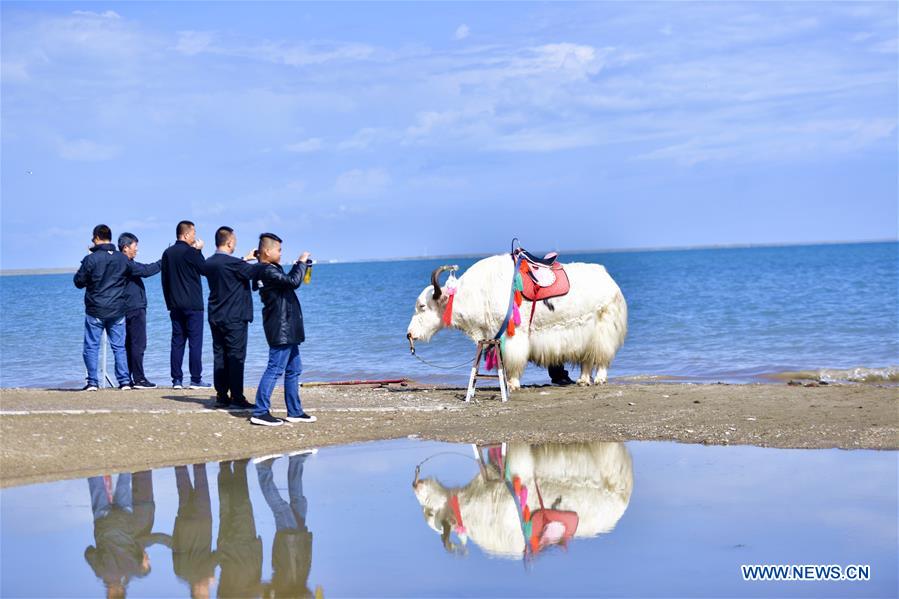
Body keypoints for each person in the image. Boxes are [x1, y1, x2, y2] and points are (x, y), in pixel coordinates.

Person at [74, 224, 152, 391]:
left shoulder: (91, 259)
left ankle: (93, 382)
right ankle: (124, 381)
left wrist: (90, 266)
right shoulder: (121, 258)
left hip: (96, 308)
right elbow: (139, 270)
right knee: (118, 347)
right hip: (117, 309)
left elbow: (78, 282)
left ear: (96, 238)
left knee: (92, 346)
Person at [250, 233, 316, 426]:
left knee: (294, 369)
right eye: (278, 250)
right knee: (275, 368)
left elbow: (287, 281)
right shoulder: (266, 271)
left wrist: (300, 266)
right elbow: (292, 282)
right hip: (281, 328)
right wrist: (301, 262)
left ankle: (294, 411)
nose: (280, 254)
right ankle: (260, 411)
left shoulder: (267, 269)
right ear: (267, 251)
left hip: (288, 326)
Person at [203, 226, 259, 409]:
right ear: (229, 242)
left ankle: (222, 394)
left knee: (220, 355)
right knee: (236, 356)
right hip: (234, 317)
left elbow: (231, 268)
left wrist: (244, 259)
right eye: (234, 241)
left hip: (216, 315)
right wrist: (259, 259)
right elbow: (254, 272)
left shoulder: (210, 262)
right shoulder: (234, 264)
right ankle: (237, 396)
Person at [255, 452, 317, 598]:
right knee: (299, 500)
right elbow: (307, 594)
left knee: (281, 508)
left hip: (287, 554)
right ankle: (297, 459)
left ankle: (262, 468)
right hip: (301, 553)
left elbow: (269, 592)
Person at [161, 221, 210, 390]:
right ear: (186, 234)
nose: (195, 236)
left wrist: (169, 303)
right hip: (193, 304)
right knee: (195, 343)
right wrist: (199, 250)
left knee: (177, 342)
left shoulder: (168, 253)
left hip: (175, 304)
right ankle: (195, 379)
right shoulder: (191, 251)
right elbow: (204, 269)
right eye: (194, 233)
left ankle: (177, 380)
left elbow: (164, 281)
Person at [118, 233, 162, 389]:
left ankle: (129, 378)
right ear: (125, 248)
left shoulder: (124, 262)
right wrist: (163, 262)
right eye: (135, 247)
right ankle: (138, 379)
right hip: (134, 308)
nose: (137, 250)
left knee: (130, 344)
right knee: (138, 344)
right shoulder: (125, 263)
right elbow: (146, 270)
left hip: (128, 307)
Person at [216, 459, 263, 599]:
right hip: (228, 549)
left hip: (243, 549)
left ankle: (238, 468)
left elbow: (257, 582)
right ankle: (225, 467)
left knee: (241, 508)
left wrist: (257, 546)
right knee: (226, 508)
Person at [172, 464, 216, 599]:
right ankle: (177, 457)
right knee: (183, 485)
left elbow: (217, 556)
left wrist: (211, 577)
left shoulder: (204, 574)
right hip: (184, 523)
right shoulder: (179, 573)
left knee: (201, 482)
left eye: (205, 593)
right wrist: (178, 521)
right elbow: (175, 545)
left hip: (202, 522)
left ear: (197, 592)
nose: (207, 589)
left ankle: (199, 459)